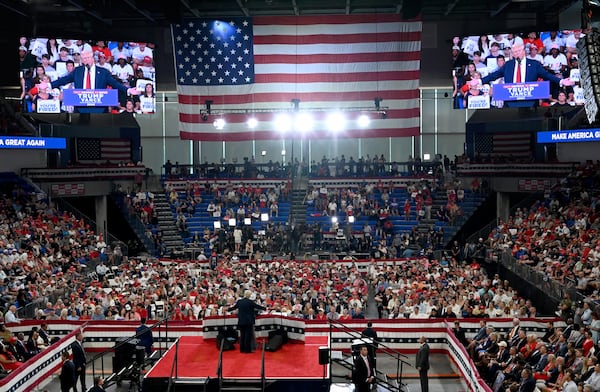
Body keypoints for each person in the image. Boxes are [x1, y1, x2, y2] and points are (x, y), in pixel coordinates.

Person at [39, 49, 139, 113]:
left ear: (92, 58)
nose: (85, 60)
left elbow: (115, 84)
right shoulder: (77, 71)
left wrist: (128, 90)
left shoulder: (103, 72)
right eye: (83, 59)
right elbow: (63, 80)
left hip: (99, 109)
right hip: (80, 109)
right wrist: (48, 85)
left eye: (87, 58)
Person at [481, 43, 574, 107]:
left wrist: (561, 81)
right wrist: (479, 81)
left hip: (530, 103)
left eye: (518, 51)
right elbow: (494, 75)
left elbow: (547, 75)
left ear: (523, 51)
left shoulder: (534, 64)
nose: (516, 54)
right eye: (514, 52)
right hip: (510, 103)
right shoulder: (508, 65)